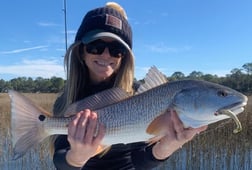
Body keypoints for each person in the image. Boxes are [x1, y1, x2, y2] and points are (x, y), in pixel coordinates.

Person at [51, 2, 207, 170]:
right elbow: (60, 159)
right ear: (81, 51)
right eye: (95, 46)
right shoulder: (65, 100)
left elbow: (139, 162)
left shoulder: (140, 93)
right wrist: (76, 157)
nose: (105, 54)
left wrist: (166, 147)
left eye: (116, 49)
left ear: (124, 56)